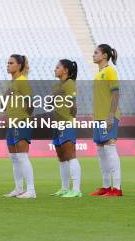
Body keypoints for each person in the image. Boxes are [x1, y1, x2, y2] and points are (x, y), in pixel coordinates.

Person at [89, 44, 122, 197]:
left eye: (96, 53)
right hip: (98, 117)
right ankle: (106, 186)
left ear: (104, 56)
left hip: (108, 116)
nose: (93, 55)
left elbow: (115, 94)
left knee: (109, 148)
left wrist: (111, 114)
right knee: (101, 150)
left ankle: (116, 188)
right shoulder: (98, 73)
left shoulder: (110, 71)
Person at [3, 54, 35, 199]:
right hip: (11, 124)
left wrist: (22, 117)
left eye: (11, 63)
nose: (8, 65)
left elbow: (31, 104)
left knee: (22, 157)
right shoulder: (11, 84)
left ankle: (31, 190)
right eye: (8, 63)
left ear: (19, 66)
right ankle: (18, 188)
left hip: (20, 122)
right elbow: (3, 106)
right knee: (14, 158)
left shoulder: (22, 81)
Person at [50, 59, 82, 198]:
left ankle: (76, 190)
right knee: (61, 157)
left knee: (70, 156)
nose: (55, 69)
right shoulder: (56, 85)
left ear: (66, 70)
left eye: (57, 67)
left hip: (66, 123)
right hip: (56, 123)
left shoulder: (69, 84)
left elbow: (72, 105)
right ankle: (64, 188)